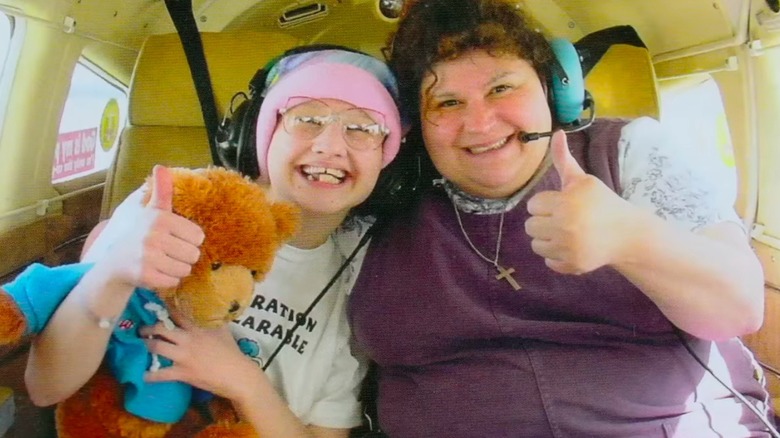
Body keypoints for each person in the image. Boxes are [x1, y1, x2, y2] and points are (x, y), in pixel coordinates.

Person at [347, 0, 775, 437]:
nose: (479, 124)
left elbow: (739, 309)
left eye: (501, 89)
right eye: (447, 101)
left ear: (553, 91)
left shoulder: (629, 152)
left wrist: (632, 239)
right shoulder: (383, 200)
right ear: (415, 125)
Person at [23, 47, 407, 438]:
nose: (330, 146)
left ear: (389, 161)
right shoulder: (172, 201)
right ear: (260, 134)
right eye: (307, 118)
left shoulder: (362, 287)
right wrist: (112, 272)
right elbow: (45, 387)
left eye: (362, 128)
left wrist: (244, 382)